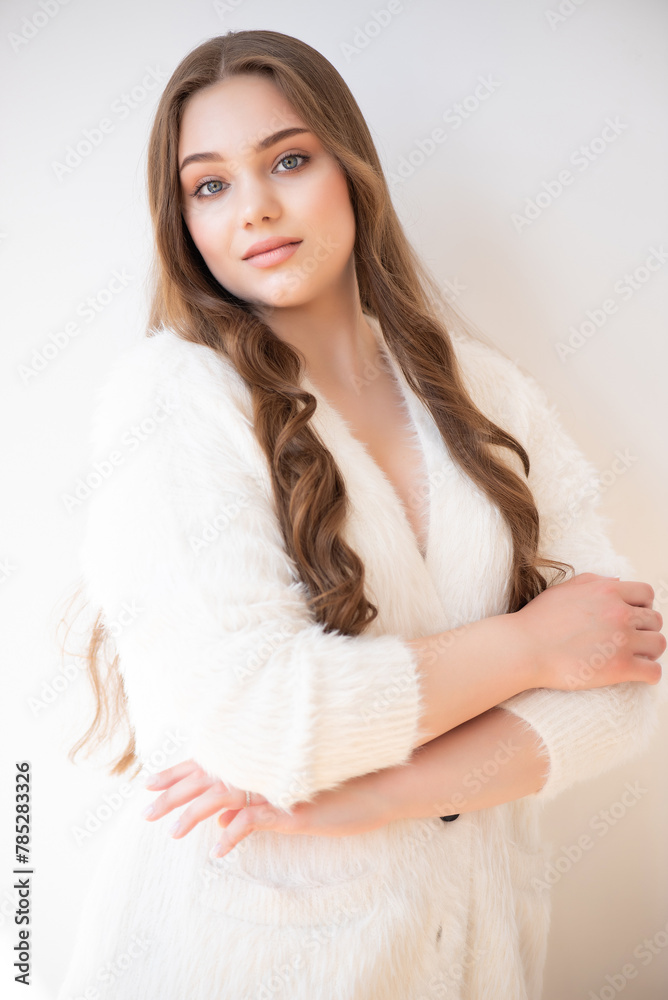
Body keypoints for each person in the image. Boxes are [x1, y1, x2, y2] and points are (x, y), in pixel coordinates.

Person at [57, 29, 665, 1000]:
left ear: (351, 169)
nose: (254, 207)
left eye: (287, 161)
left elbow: (622, 674)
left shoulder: (485, 394)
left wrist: (379, 792)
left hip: (472, 956)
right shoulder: (173, 400)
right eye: (208, 185)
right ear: (184, 225)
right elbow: (265, 722)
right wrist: (531, 647)